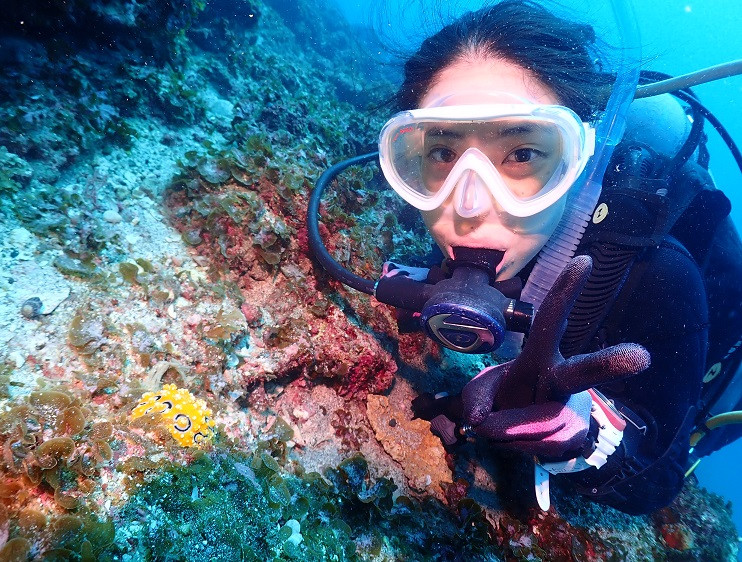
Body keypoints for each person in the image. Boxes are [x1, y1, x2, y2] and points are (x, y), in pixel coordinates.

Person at [307, 0, 742, 515]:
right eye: (443, 153)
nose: (469, 207)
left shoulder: (659, 275)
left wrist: (575, 428)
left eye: (521, 154)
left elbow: (660, 479)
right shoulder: (468, 213)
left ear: (583, 161)